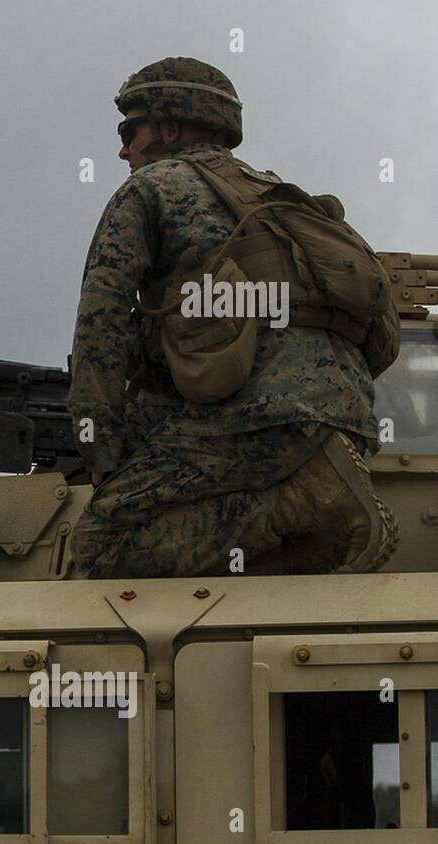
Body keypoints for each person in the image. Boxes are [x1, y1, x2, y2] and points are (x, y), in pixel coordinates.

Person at [68, 56, 399, 578]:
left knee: (97, 547)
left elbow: (100, 330)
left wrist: (99, 450)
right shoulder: (277, 196)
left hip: (258, 418)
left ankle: (300, 506)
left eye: (130, 129)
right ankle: (310, 509)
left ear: (169, 126)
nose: (122, 148)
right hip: (349, 416)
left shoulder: (151, 188)